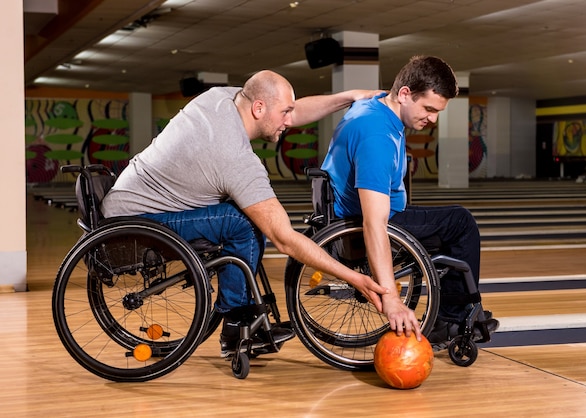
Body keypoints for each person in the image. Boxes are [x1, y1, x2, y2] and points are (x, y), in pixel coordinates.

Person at [100, 70, 412, 358]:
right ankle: (237, 323)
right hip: (133, 226)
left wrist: (350, 96)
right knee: (242, 223)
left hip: (123, 204)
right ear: (259, 109)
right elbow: (285, 239)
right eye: (284, 113)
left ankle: (242, 313)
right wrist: (354, 278)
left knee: (244, 216)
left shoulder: (222, 99)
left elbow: (293, 109)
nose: (289, 121)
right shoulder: (235, 158)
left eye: (289, 112)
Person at [320, 55, 499, 350]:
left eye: (438, 111)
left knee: (450, 220)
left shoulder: (373, 104)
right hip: (368, 225)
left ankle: (451, 310)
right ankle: (450, 320)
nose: (433, 119)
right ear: (404, 94)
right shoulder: (376, 135)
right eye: (428, 108)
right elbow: (374, 224)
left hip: (351, 213)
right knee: (460, 223)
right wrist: (390, 296)